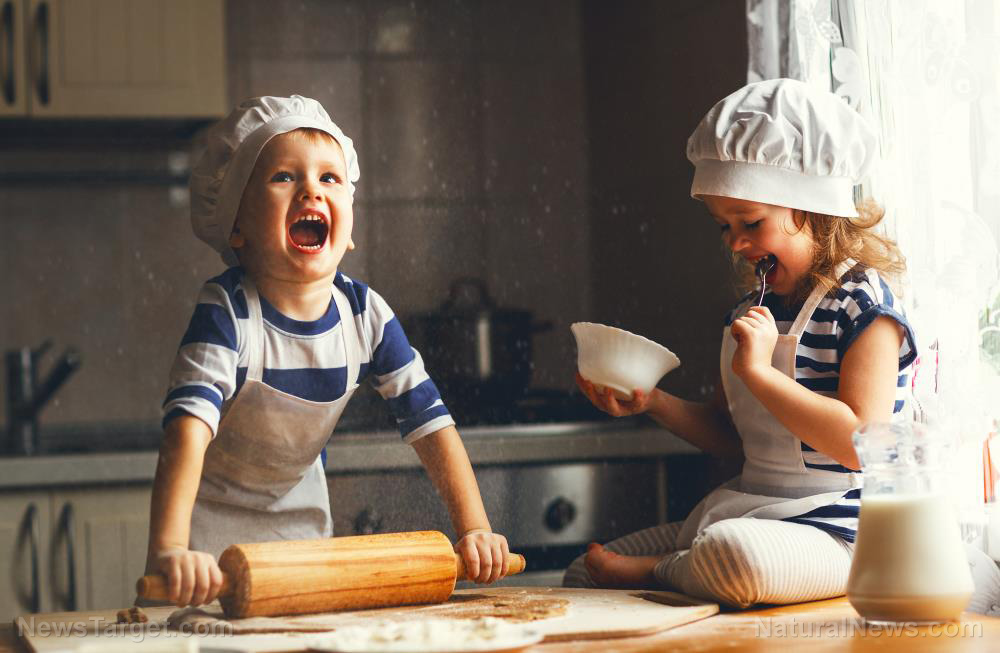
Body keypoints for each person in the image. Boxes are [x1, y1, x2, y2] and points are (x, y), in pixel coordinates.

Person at [563, 78, 918, 608]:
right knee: (581, 573)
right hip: (757, 510)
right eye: (722, 226)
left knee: (735, 560)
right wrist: (652, 402)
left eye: (750, 222)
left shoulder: (863, 305)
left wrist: (761, 374)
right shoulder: (752, 311)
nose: (734, 242)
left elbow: (859, 443)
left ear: (812, 209)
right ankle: (674, 567)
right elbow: (735, 436)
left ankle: (661, 570)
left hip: (847, 531)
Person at [145, 95, 510, 608]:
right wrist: (169, 549)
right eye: (284, 177)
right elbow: (186, 431)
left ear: (350, 227)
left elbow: (432, 426)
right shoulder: (228, 313)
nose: (311, 189)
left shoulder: (364, 315)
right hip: (204, 539)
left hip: (303, 535)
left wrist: (475, 528)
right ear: (235, 225)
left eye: (329, 178)